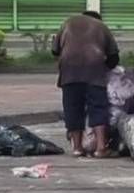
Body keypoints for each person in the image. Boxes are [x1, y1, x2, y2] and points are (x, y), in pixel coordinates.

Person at [51, 11, 120, 157]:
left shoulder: (67, 23)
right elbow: (114, 57)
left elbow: (55, 51)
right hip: (94, 72)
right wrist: (106, 67)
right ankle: (101, 148)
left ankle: (77, 148)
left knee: (73, 108)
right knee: (98, 107)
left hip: (69, 73)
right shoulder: (101, 26)